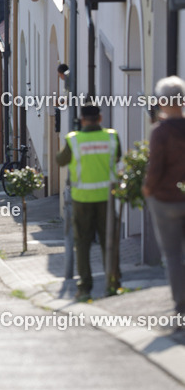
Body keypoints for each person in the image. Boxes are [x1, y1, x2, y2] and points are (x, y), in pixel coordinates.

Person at [56, 103, 121, 301]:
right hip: (107, 198)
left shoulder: (74, 140)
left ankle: (85, 288)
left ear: (82, 119)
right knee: (109, 241)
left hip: (82, 199)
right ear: (100, 118)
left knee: (83, 243)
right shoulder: (111, 137)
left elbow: (60, 161)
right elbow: (118, 157)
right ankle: (113, 284)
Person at [142, 77, 185, 332]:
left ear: (161, 101)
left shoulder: (160, 132)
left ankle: (181, 307)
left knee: (172, 255)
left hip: (166, 200)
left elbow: (155, 168)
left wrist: (147, 189)